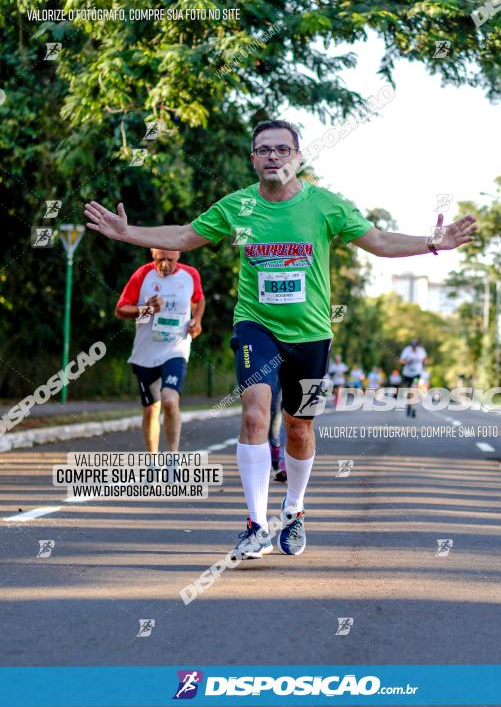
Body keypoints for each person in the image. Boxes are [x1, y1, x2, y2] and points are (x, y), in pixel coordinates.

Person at [85, 119, 477, 559]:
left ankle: (294, 510)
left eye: (282, 149)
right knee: (255, 414)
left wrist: (433, 242)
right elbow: (182, 236)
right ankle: (255, 525)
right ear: (253, 159)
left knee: (298, 427)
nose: (273, 156)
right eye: (264, 150)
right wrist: (127, 232)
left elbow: (380, 241)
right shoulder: (237, 207)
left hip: (310, 335)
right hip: (256, 325)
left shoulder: (326, 206)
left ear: (298, 156)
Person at [114, 249, 205, 453]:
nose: (164, 265)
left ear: (179, 254)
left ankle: (173, 458)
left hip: (176, 348)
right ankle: (153, 460)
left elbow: (198, 300)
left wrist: (196, 321)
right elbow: (120, 309)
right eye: (159, 259)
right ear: (152, 254)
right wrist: (146, 309)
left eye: (169, 260)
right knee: (150, 410)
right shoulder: (142, 275)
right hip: (146, 353)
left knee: (170, 401)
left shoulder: (191, 275)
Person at [399, 338, 427, 418]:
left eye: (415, 346)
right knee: (409, 391)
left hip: (416, 374)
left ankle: (413, 408)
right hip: (407, 374)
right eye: (412, 346)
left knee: (414, 389)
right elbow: (401, 361)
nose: (414, 348)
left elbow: (425, 360)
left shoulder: (421, 351)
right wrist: (407, 361)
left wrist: (424, 363)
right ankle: (409, 404)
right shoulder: (407, 350)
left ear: (417, 346)